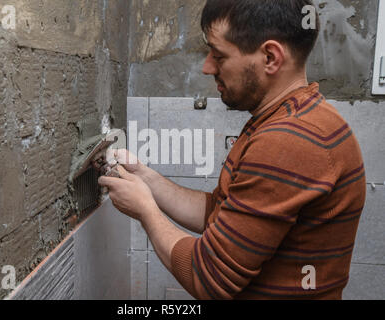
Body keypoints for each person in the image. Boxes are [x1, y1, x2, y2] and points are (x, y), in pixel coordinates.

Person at [96, 0, 366, 299]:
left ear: (270, 57)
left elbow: (209, 279)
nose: (207, 67)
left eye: (219, 55)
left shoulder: (290, 140)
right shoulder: (286, 118)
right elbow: (221, 213)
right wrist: (147, 179)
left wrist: (146, 210)